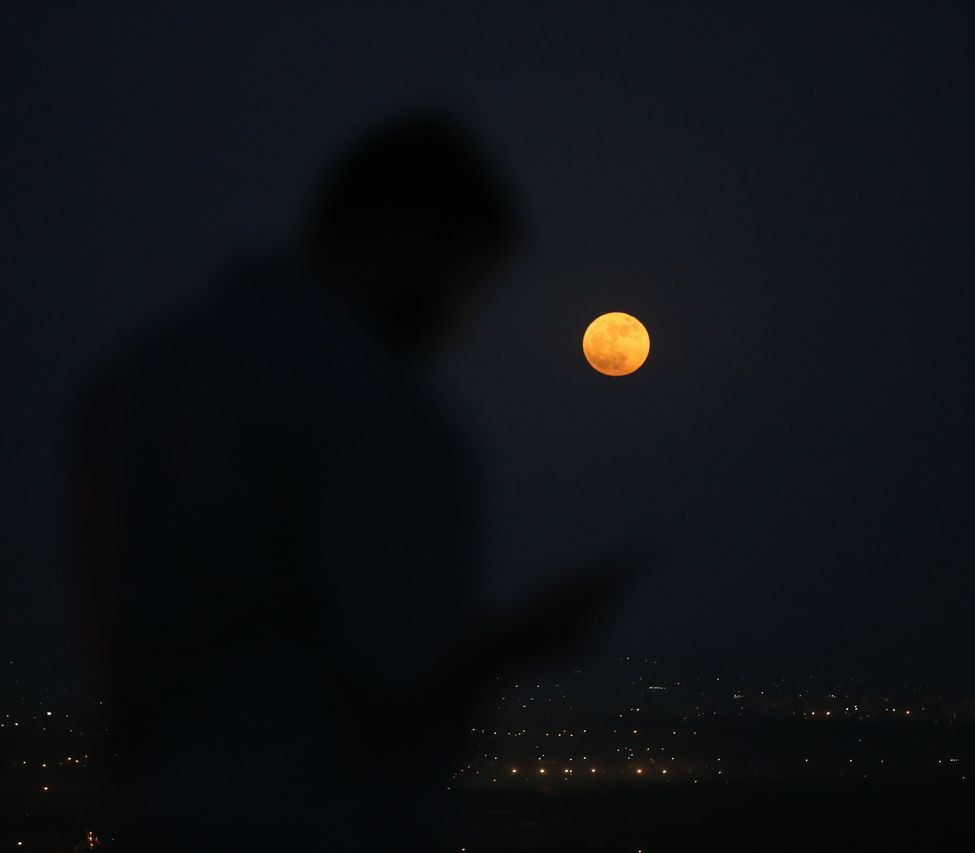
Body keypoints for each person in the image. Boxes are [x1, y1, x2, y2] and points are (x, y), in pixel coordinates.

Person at [70, 112, 616, 850]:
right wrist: (517, 642)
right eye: (464, 279)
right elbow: (398, 669)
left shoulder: (142, 378)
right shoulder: (367, 403)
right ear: (410, 240)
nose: (463, 319)